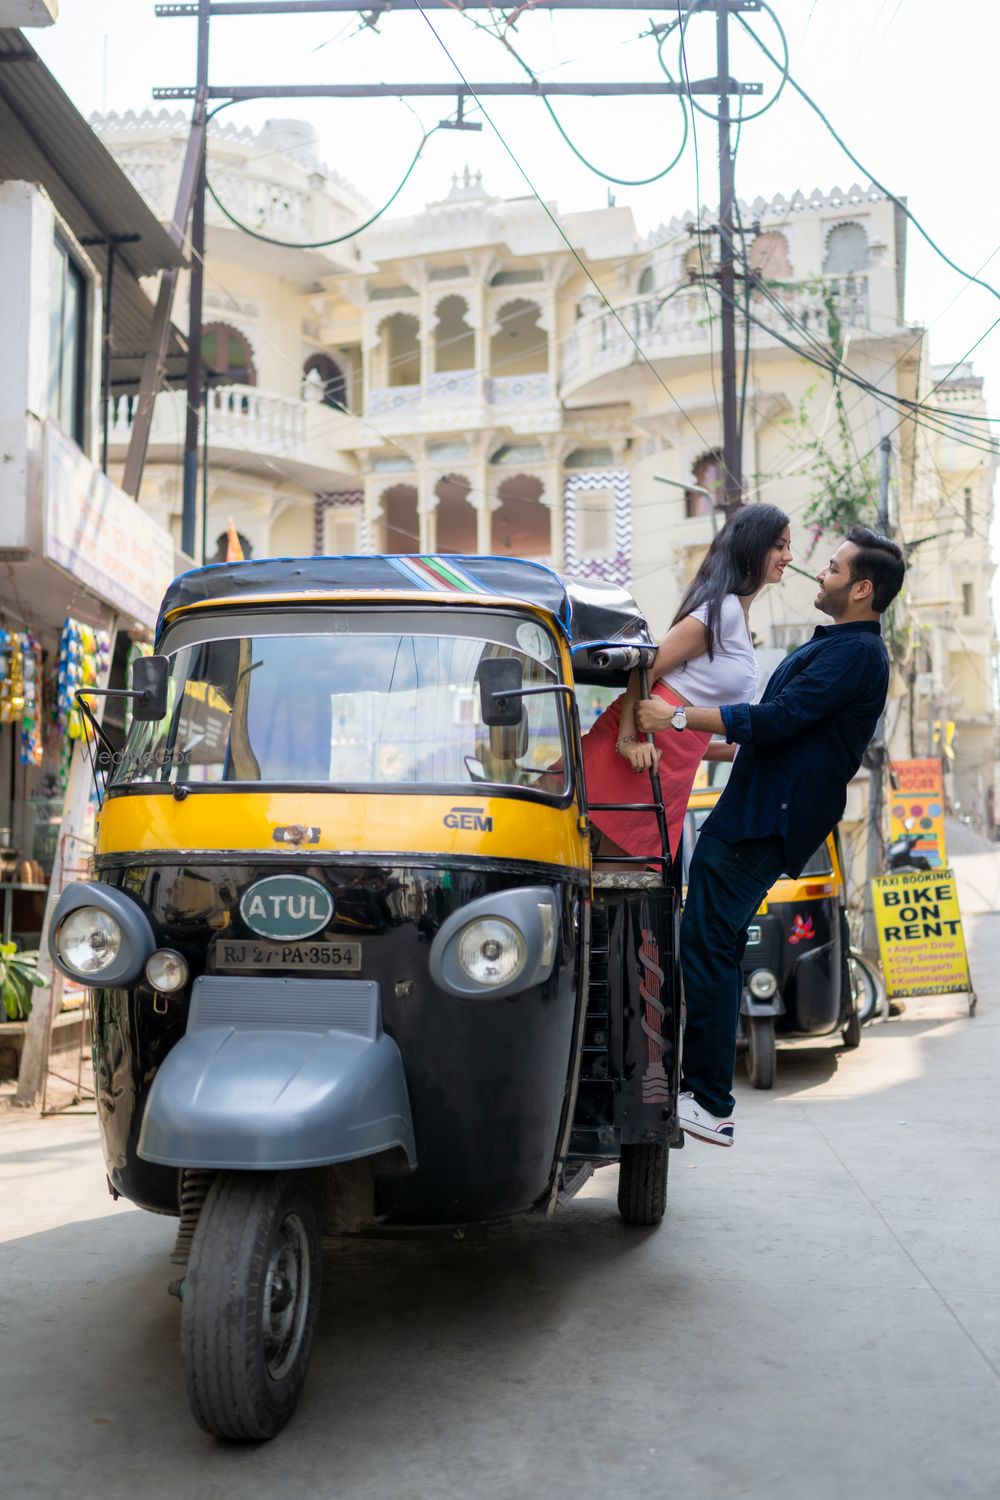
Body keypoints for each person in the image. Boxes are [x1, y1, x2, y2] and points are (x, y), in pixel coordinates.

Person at [636, 524, 906, 1146]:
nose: (818, 572)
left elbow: (777, 720)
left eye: (834, 568)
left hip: (765, 821)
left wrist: (675, 714)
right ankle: (702, 1094)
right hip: (760, 808)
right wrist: (698, 737)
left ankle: (706, 1100)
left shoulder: (856, 655)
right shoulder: (839, 648)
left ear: (862, 589)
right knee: (715, 946)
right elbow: (777, 740)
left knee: (705, 943)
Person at [582, 505, 791, 864]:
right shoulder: (722, 610)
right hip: (639, 754)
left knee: (623, 892)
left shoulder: (735, 615)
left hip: (669, 763)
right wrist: (628, 739)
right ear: (754, 547)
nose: (789, 556)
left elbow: (697, 737)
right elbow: (646, 666)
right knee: (607, 884)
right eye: (780, 546)